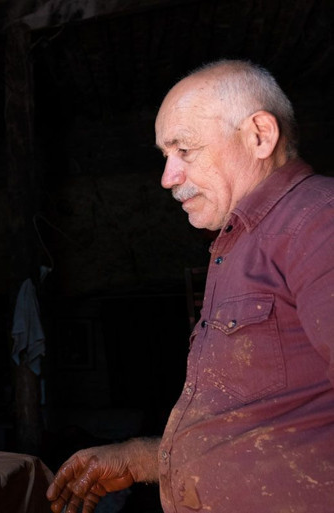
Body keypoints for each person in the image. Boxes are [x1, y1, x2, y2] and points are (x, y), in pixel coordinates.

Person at [46, 59, 334, 512]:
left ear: (259, 135)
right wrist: (143, 458)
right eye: (165, 156)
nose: (167, 177)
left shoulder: (317, 221)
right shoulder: (238, 245)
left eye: (184, 149)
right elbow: (267, 423)